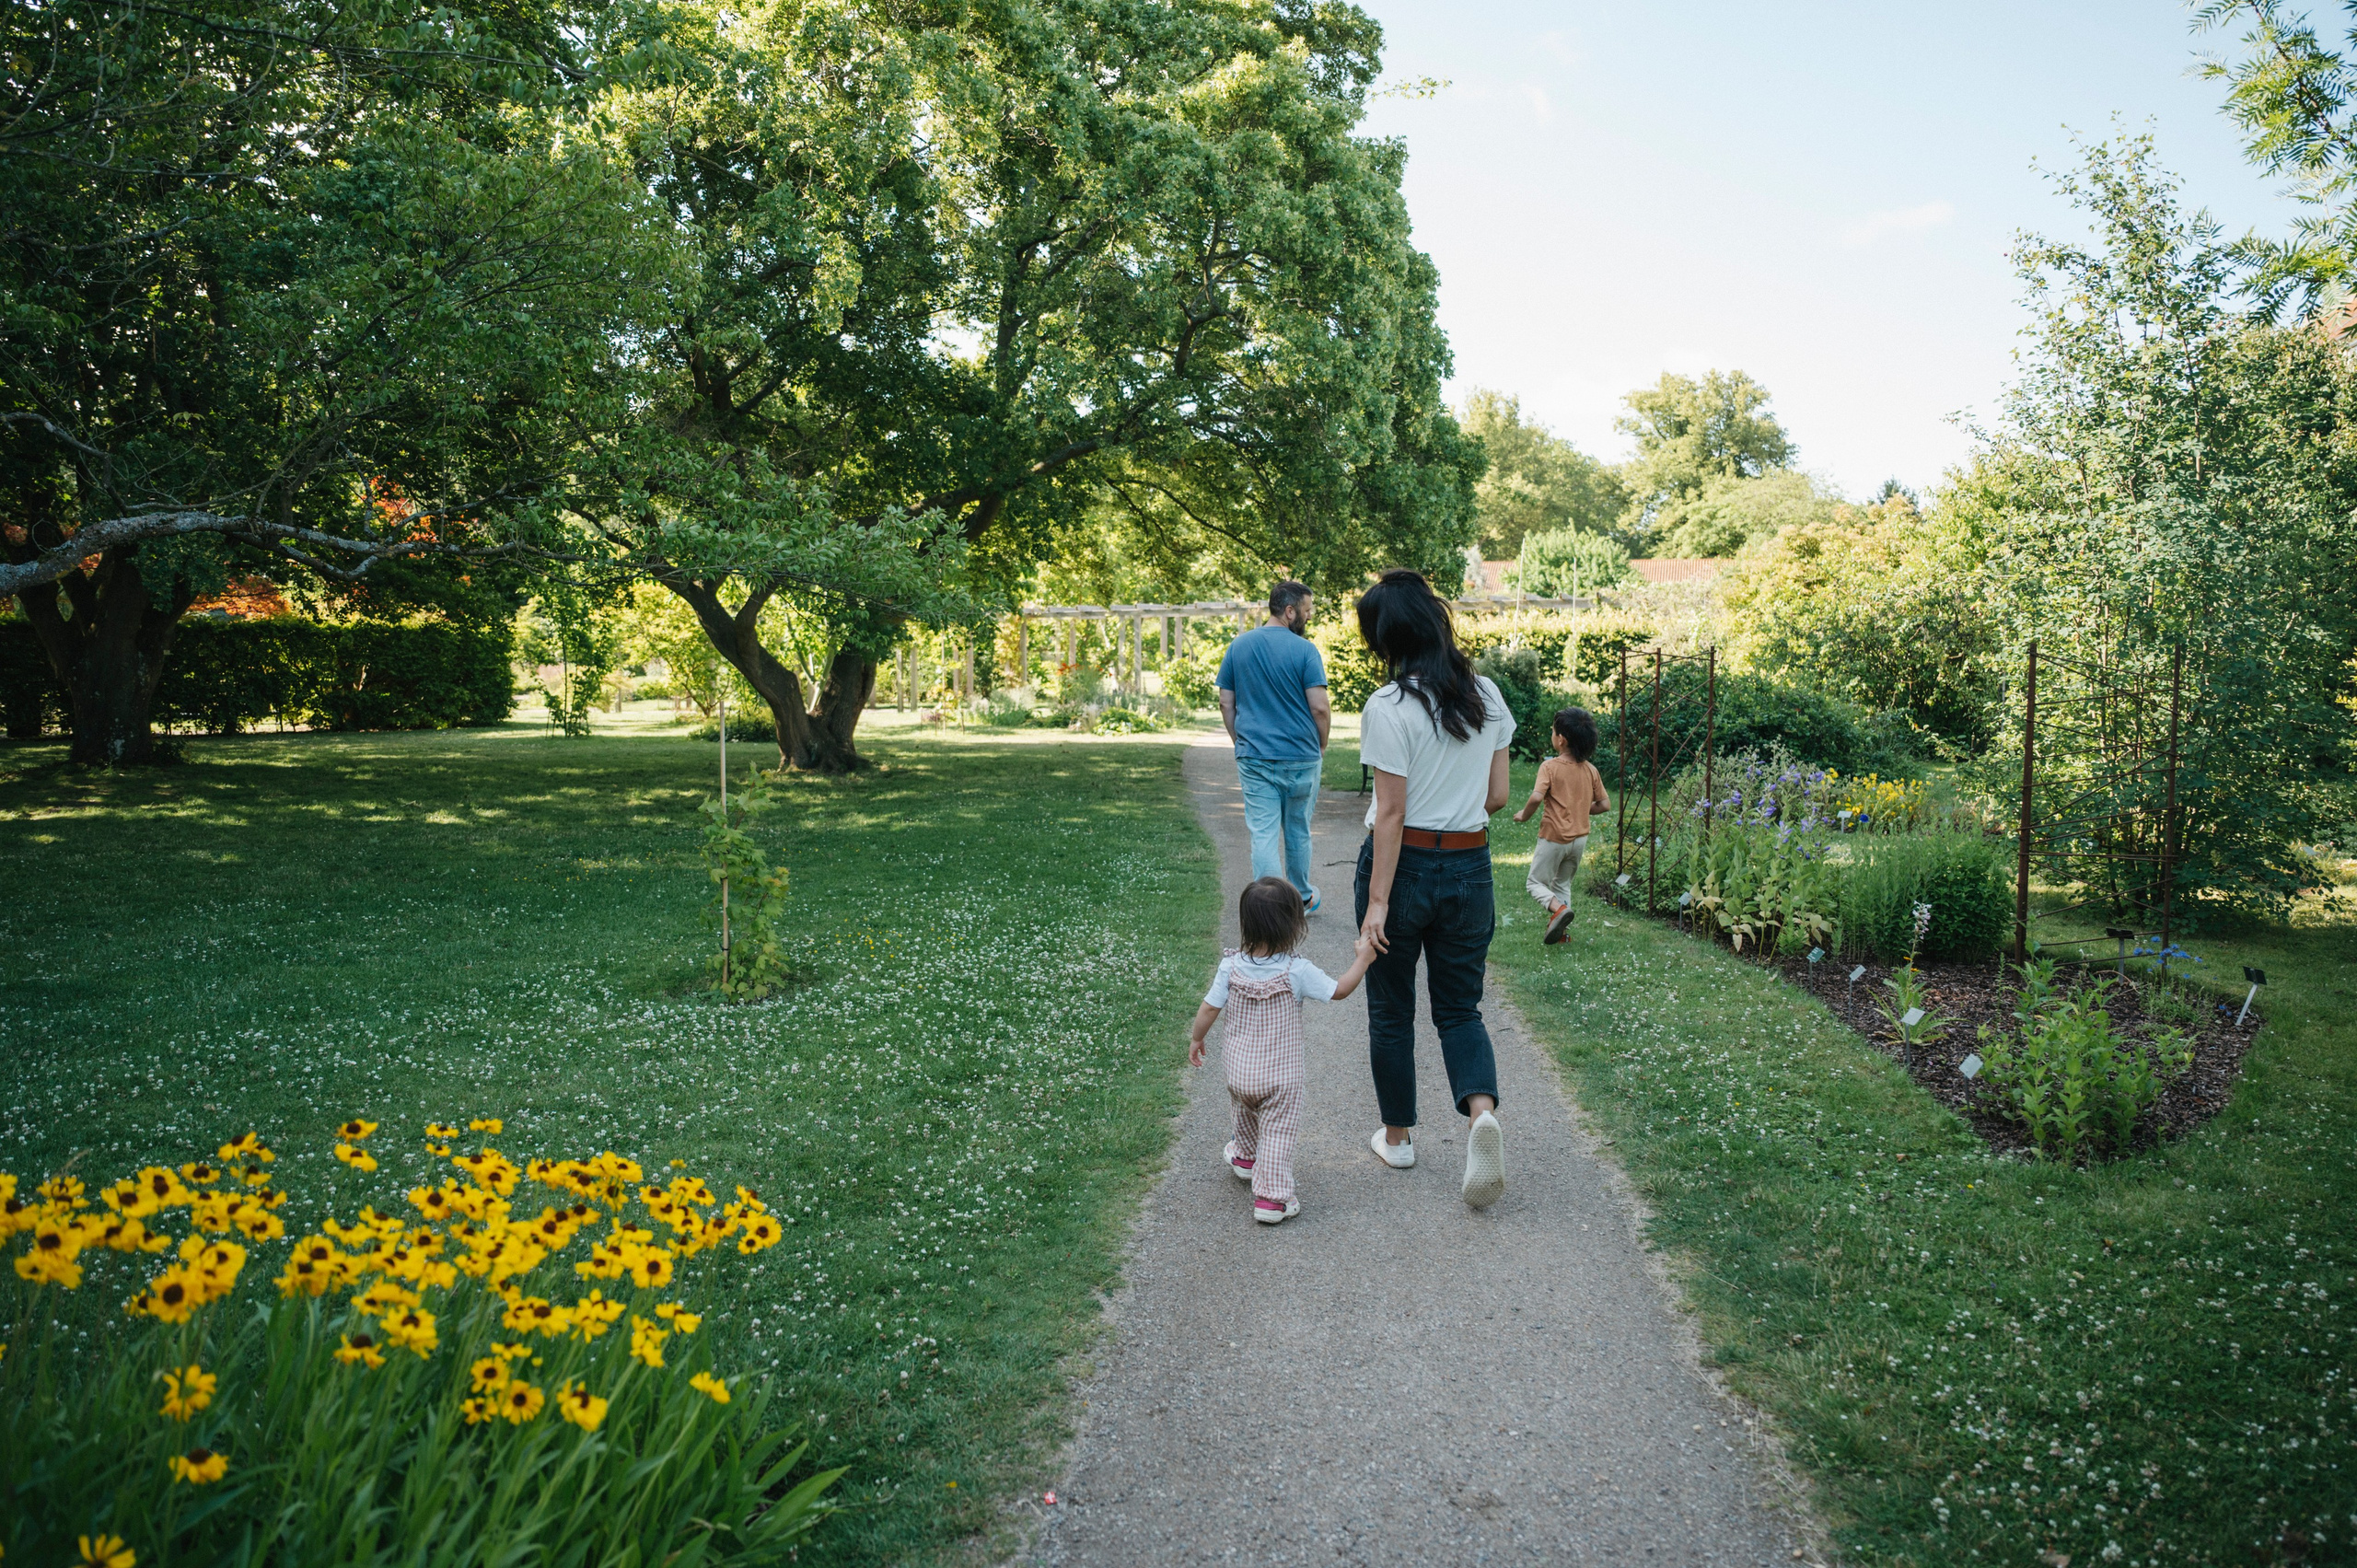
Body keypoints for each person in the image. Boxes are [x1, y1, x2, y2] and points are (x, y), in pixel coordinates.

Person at [1352, 568, 1516, 1208]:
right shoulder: (1487, 694)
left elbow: (1391, 814)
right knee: (1460, 1008)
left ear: (1388, 639)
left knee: (1391, 1009)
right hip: (1470, 865)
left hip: (1405, 867)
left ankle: (1397, 1138)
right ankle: (1481, 1114)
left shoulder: (1388, 707)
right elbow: (1497, 795)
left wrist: (1377, 904)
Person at [1188, 877, 1377, 1224]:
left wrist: (1196, 1038)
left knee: (1245, 1111)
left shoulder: (1230, 966)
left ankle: (1245, 1158)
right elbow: (1339, 990)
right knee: (1277, 1132)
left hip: (1239, 1072)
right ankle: (1272, 1200)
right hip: (1281, 1079)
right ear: (1293, 926)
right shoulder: (1296, 971)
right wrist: (1363, 960)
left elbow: (1209, 1007)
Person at [1217, 581, 1331, 912]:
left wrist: (1241, 741)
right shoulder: (1306, 651)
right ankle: (1302, 898)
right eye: (1307, 610)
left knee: (1263, 833)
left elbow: (1226, 703)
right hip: (1302, 756)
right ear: (1290, 611)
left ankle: (1270, 907)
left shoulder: (1238, 646)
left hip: (1255, 757)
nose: (1309, 616)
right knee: (1298, 830)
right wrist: (1322, 744)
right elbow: (1320, 708)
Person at [1512, 707, 1611, 947]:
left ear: (1561, 739)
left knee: (1535, 883)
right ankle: (1562, 935)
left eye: (1553, 731)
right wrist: (1581, 809)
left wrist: (1524, 815)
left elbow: (1536, 797)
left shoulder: (1550, 767)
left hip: (1554, 837)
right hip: (1579, 840)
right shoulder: (1591, 769)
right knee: (1562, 883)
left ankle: (1558, 910)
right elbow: (1605, 804)